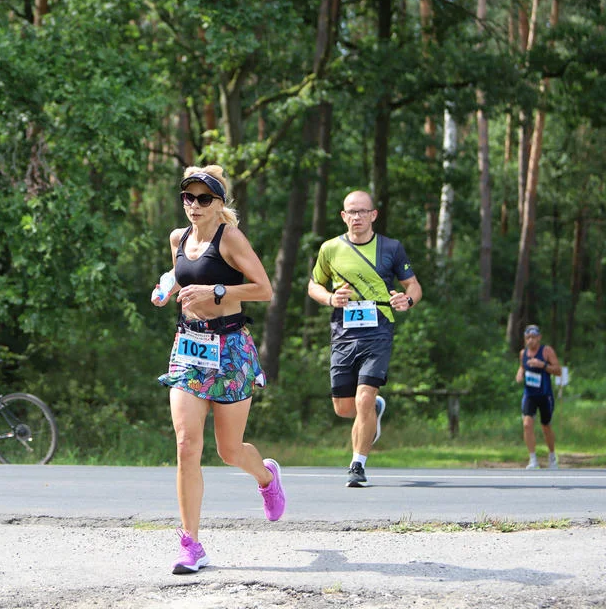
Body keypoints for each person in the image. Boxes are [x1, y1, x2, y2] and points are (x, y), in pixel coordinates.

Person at [151, 164, 286, 575]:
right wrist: (165, 288)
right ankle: (191, 545)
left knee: (229, 451)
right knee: (186, 445)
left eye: (203, 198)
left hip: (230, 349)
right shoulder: (179, 237)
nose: (193, 206)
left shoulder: (232, 239)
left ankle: (265, 477)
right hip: (188, 349)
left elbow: (265, 289)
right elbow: (177, 270)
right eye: (187, 198)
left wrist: (216, 290)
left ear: (218, 203)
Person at [306, 190, 422, 488]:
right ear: (344, 216)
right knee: (344, 408)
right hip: (343, 334)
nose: (356, 217)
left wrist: (406, 301)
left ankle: (357, 465)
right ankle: (375, 411)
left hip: (378, 331)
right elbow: (313, 286)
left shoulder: (391, 248)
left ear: (373, 215)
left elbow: (413, 286)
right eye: (351, 212)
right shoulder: (330, 249)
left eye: (362, 211)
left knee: (364, 397)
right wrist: (331, 298)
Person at [516, 325, 561, 469]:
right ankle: (533, 459)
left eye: (533, 338)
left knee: (545, 426)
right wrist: (520, 373)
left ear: (539, 338)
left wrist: (542, 365)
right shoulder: (523, 353)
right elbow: (522, 366)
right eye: (528, 338)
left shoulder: (546, 351)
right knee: (527, 424)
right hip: (529, 394)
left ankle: (552, 456)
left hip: (545, 395)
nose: (531, 341)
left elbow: (558, 370)